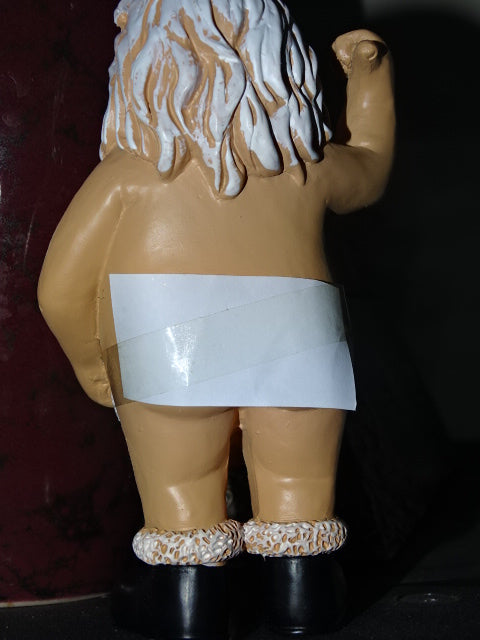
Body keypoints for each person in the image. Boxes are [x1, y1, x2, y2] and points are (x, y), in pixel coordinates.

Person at [38, 0, 394, 637]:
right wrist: (371, 76)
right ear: (281, 58)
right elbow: (368, 167)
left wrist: (95, 365)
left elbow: (59, 290)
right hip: (299, 339)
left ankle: (189, 606)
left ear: (144, 61)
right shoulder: (305, 167)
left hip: (167, 339)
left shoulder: (129, 177)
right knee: (298, 486)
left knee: (185, 494)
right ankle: (303, 599)